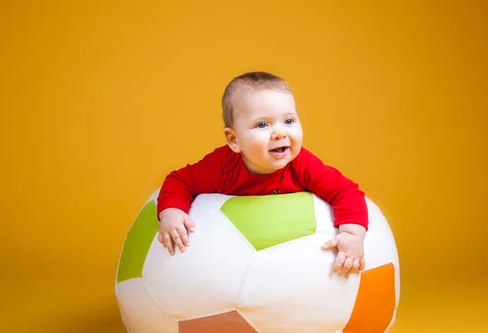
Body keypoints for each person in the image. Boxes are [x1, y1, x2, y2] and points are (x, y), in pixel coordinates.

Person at [156, 72, 369, 275]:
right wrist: (171, 212)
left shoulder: (301, 164)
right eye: (262, 124)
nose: (279, 133)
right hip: (227, 261)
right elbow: (180, 181)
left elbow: (346, 191)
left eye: (289, 121)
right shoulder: (222, 166)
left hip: (294, 263)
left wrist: (352, 235)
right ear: (234, 140)